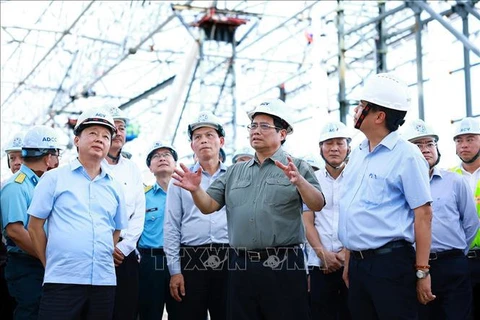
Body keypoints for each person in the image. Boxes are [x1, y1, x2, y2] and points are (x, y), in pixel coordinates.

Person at [171, 99, 325, 320]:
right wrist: (196, 190)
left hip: (283, 264)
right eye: (253, 125)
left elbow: (317, 203)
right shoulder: (234, 172)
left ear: (282, 134)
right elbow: (208, 206)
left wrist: (300, 182)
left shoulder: (297, 167)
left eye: (264, 126)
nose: (256, 131)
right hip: (242, 265)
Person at [338, 73, 435, 319]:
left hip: (390, 264)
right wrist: (350, 260)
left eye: (361, 106)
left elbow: (423, 214)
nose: (356, 111)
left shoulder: (407, 155)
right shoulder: (358, 152)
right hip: (359, 264)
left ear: (379, 116)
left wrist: (423, 272)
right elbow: (353, 210)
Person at [27, 107, 128, 319]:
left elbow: (117, 228)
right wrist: (49, 262)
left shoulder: (116, 186)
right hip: (61, 281)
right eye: (92, 133)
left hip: (103, 282)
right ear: (76, 140)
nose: (99, 139)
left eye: (105, 136)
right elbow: (35, 225)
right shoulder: (54, 178)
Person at [403, 119, 479, 319]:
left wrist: (457, 254)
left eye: (430, 144)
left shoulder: (455, 181)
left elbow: (471, 223)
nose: (425, 149)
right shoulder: (397, 187)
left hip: (452, 265)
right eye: (418, 145)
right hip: (413, 266)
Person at [164, 111, 229, 320]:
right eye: (197, 137)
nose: (203, 141)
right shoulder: (180, 179)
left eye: (209, 135)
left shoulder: (235, 177)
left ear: (221, 141)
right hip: (191, 258)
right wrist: (175, 271)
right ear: (192, 145)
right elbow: (172, 226)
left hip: (229, 258)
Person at [1, 125, 62, 320]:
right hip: (26, 265)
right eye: (57, 154)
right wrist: (47, 257)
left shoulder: (42, 183)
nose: (58, 160)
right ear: (48, 157)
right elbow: (15, 231)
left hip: (41, 263)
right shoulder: (17, 186)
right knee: (31, 313)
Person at [303, 121, 351, 320]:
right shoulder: (311, 180)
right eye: (328, 143)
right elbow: (307, 221)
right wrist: (324, 254)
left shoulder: (358, 177)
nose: (334, 148)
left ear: (348, 147)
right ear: (320, 148)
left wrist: (345, 254)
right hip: (319, 265)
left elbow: (363, 219)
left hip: (352, 264)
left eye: (340, 143)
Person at [104, 106, 145, 320]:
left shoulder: (132, 168)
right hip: (98, 252)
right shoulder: (91, 166)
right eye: (114, 128)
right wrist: (107, 247)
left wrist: (124, 246)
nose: (119, 132)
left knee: (126, 309)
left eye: (122, 128)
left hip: (125, 253)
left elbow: (138, 212)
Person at [138, 141, 178, 320]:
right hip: (151, 262)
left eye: (166, 155)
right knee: (149, 312)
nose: (162, 158)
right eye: (156, 156)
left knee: (183, 312)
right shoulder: (142, 197)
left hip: (181, 261)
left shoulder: (187, 193)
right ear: (150, 167)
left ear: (175, 163)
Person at [449, 117, 480, 319]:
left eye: (470, 139)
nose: (464, 145)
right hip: (458, 261)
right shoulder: (447, 177)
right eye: (459, 140)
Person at [1, 131, 24, 319]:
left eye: (21, 156)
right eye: (12, 158)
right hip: (13, 259)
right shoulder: (5, 188)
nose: (16, 162)